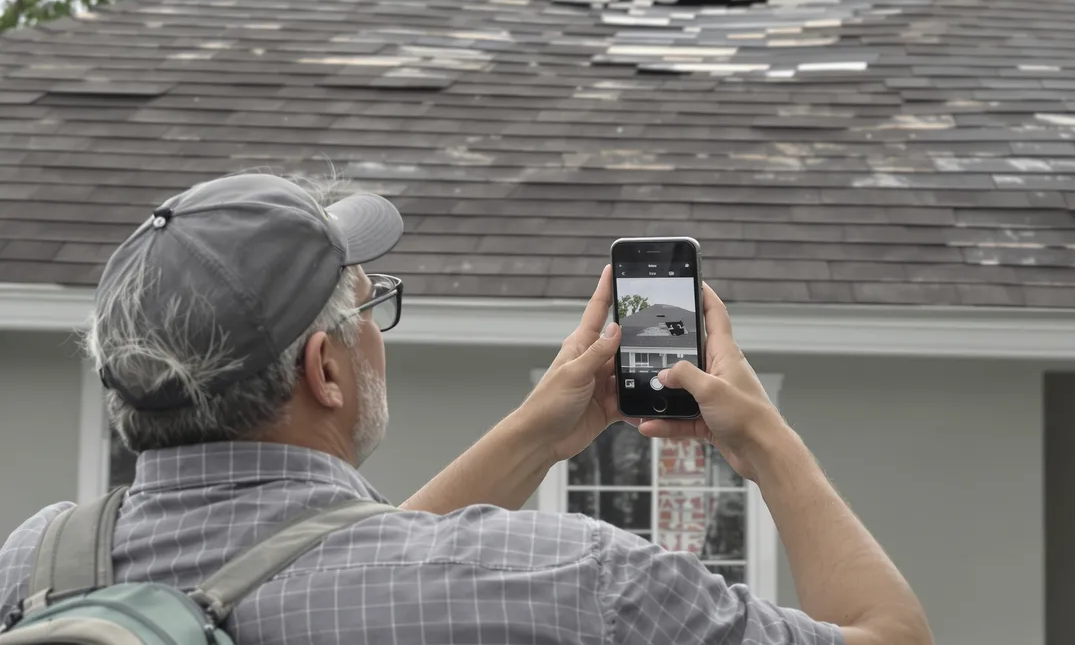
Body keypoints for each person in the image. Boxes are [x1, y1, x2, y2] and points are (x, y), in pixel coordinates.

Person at [0, 172, 932, 645]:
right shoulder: (573, 581)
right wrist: (764, 438)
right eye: (369, 304)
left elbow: (303, 570)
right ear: (325, 370)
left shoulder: (35, 566)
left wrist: (543, 430)